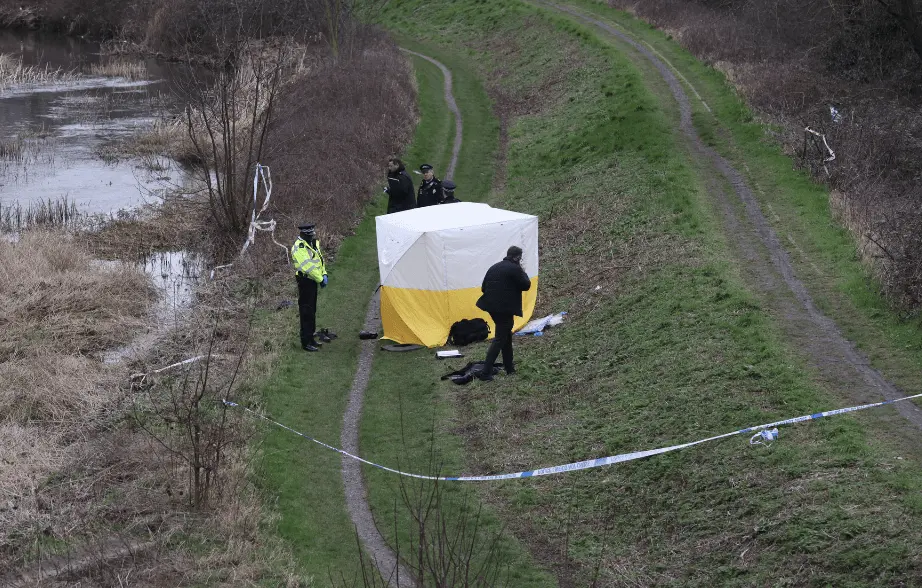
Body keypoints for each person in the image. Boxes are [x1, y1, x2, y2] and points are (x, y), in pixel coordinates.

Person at [475, 246, 532, 381]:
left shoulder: (494, 267)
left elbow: (483, 288)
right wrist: (522, 270)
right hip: (504, 309)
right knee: (500, 338)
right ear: (517, 257)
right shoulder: (515, 268)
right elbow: (526, 285)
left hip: (491, 307)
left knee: (506, 335)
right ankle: (485, 373)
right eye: (520, 258)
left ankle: (509, 368)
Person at [291, 223, 328, 352]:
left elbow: (320, 260)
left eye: (312, 234)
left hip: (313, 281)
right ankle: (306, 342)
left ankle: (311, 338)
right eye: (309, 235)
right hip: (305, 281)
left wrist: (324, 273)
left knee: (312, 311)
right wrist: (320, 279)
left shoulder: (312, 243)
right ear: (302, 234)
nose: (311, 236)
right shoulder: (299, 247)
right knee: (306, 312)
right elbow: (307, 267)